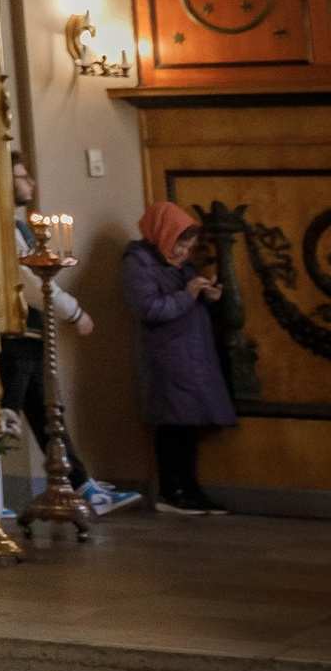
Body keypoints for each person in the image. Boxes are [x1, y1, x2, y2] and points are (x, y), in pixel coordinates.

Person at [0, 152, 136, 516]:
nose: (30, 183)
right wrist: (73, 311)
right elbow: (28, 281)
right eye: (22, 176)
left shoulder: (17, 225)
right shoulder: (2, 227)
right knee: (3, 416)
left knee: (48, 416)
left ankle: (83, 487)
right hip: (12, 334)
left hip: (29, 334)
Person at [124, 198, 237, 514]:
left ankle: (190, 489)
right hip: (166, 356)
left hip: (192, 354)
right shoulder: (137, 262)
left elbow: (188, 302)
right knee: (173, 423)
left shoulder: (181, 265)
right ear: (162, 234)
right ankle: (171, 491)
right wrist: (188, 295)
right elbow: (148, 309)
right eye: (179, 244)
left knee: (188, 424)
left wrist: (210, 297)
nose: (183, 252)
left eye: (188, 247)